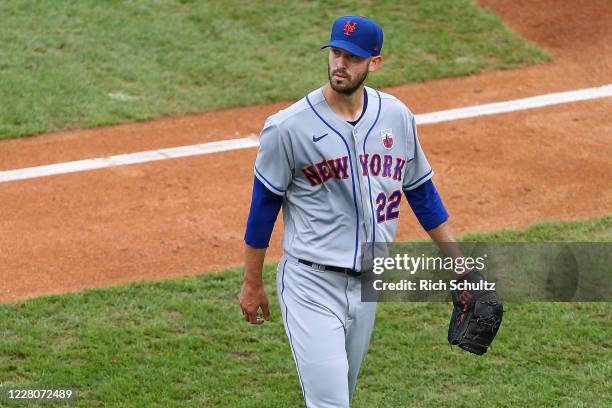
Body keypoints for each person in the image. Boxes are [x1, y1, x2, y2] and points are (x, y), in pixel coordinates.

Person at [239, 15, 460, 407]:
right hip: (311, 284)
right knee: (331, 403)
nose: (340, 64)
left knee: (344, 395)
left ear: (374, 63)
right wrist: (251, 282)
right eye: (336, 53)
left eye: (352, 58)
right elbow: (263, 208)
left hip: (368, 285)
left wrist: (460, 268)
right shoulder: (288, 127)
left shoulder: (396, 117)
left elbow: (422, 193)